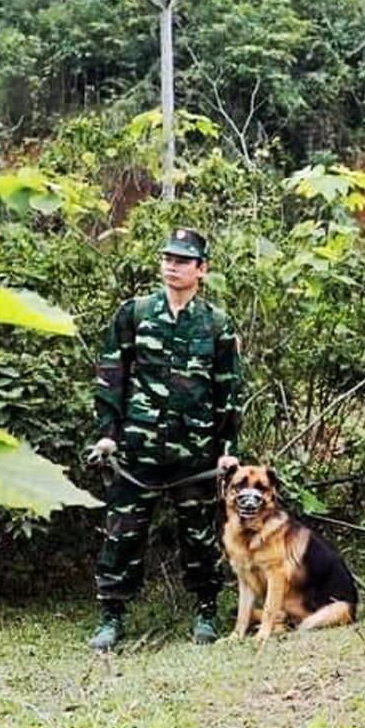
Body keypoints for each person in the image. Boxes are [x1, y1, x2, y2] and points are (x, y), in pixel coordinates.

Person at [87, 227, 241, 651]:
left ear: (201, 269)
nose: (172, 266)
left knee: (199, 537)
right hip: (138, 452)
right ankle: (111, 617)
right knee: (122, 535)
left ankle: (207, 612)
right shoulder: (135, 313)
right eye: (167, 258)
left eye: (183, 260)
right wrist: (107, 436)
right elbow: (111, 377)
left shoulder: (216, 324)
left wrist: (229, 451)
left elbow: (228, 390)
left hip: (195, 455)